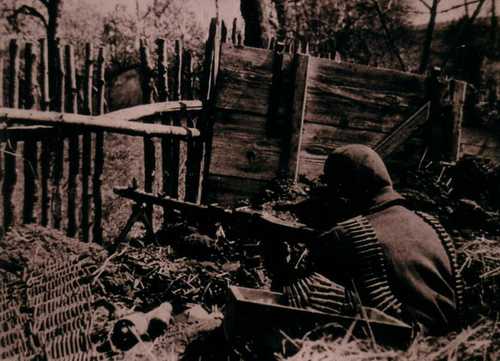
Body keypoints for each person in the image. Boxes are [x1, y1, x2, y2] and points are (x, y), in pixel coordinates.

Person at [284, 144, 463, 335]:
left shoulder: (348, 234)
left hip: (402, 343)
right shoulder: (431, 225)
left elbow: (312, 301)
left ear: (342, 191)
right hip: (451, 343)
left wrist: (282, 268)